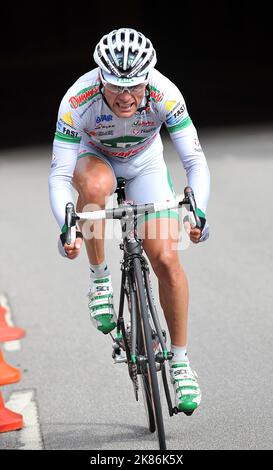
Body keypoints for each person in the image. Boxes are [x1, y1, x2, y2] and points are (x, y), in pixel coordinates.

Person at [48, 28, 210, 414]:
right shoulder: (77, 100)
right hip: (95, 159)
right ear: (99, 78)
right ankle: (100, 280)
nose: (125, 97)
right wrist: (65, 225)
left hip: (145, 165)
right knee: (97, 183)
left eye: (134, 87)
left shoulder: (165, 93)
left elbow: (194, 160)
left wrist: (199, 209)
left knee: (167, 259)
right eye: (116, 87)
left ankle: (181, 361)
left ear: (147, 79)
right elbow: (59, 176)